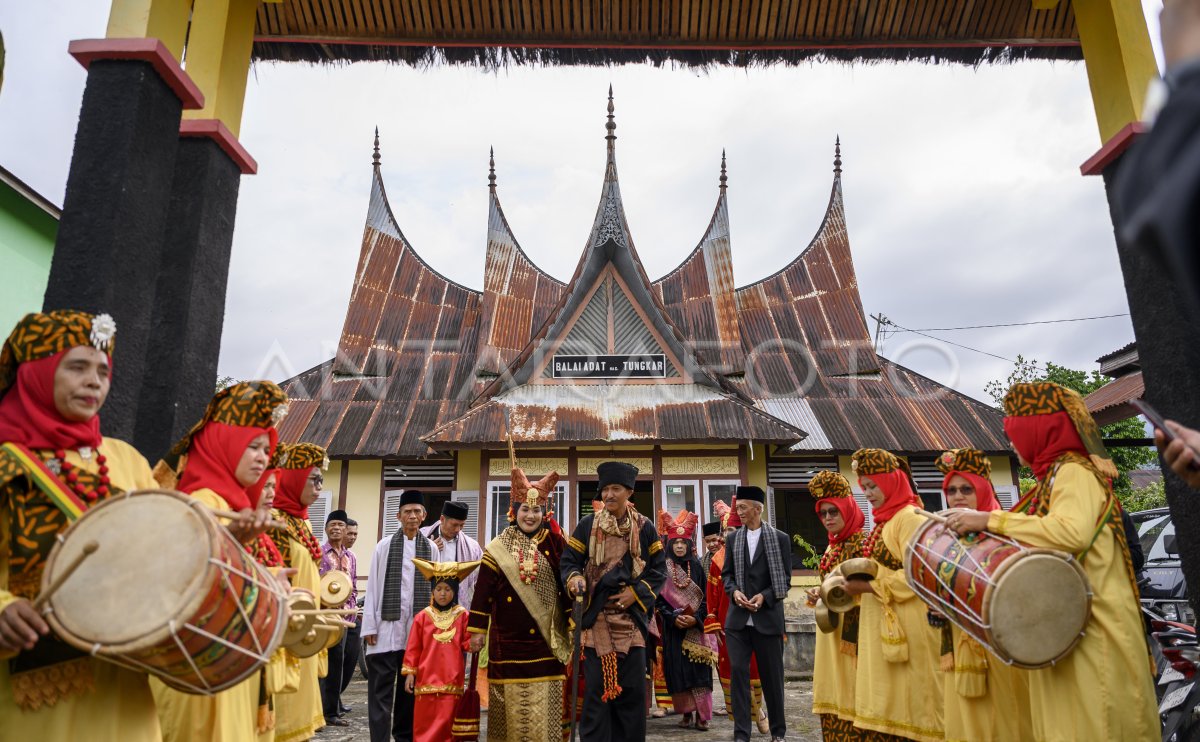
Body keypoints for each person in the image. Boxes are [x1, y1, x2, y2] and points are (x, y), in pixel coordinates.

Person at [946, 383, 1158, 740]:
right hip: (1068, 630)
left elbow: (1070, 533)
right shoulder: (1054, 478)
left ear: (1038, 433)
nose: (1013, 446)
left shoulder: (1075, 472)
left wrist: (991, 521)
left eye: (1016, 436)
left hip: (1094, 633)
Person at [0, 311, 161, 740]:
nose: (94, 381)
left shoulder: (126, 459)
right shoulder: (5, 459)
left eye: (103, 371)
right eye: (77, 366)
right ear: (36, 371)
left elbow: (166, 547)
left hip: (126, 688)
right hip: (36, 701)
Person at [151, 379, 287, 742]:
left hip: (224, 660)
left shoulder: (233, 506)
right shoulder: (203, 501)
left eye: (265, 449)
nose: (262, 457)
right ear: (222, 446)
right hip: (196, 664)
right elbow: (180, 578)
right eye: (253, 447)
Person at [841, 448, 943, 742]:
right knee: (888, 708)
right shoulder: (886, 520)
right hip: (887, 624)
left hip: (912, 628)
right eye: (865, 487)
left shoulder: (910, 519)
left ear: (892, 482)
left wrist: (868, 586)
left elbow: (921, 575)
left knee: (913, 709)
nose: (869, 493)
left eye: (874, 486)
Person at [561, 461, 666, 741]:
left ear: (629, 492)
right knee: (595, 695)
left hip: (632, 621)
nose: (608, 495)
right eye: (604, 489)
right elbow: (569, 561)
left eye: (615, 489)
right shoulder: (587, 525)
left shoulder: (645, 528)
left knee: (632, 696)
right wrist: (575, 580)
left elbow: (659, 570)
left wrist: (636, 593)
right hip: (596, 618)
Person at [932, 448, 1031, 742]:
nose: (958, 496)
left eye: (966, 488)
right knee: (965, 726)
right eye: (951, 490)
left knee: (1006, 724)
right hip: (959, 649)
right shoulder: (944, 539)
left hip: (1001, 650)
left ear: (984, 489)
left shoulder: (1008, 531)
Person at [467, 465, 571, 741]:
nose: (530, 515)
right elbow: (483, 592)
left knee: (547, 706)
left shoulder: (556, 543)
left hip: (547, 642)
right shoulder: (497, 547)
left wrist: (573, 622)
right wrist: (476, 629)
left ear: (544, 513)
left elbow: (566, 588)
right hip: (507, 642)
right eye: (525, 509)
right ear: (514, 512)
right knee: (507, 710)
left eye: (536, 510)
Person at [267, 442, 330, 742]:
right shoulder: (274, 524)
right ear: (292, 477)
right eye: (313, 479)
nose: (319, 487)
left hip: (304, 630)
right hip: (283, 635)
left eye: (322, 480)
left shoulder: (301, 522)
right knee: (283, 717)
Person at [362, 490, 434, 742]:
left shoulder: (431, 549)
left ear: (424, 516)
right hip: (383, 631)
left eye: (417, 512)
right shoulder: (383, 546)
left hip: (415, 634)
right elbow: (372, 587)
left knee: (408, 693)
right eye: (407, 512)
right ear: (398, 515)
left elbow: (435, 589)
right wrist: (369, 626)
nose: (412, 516)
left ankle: (404, 738)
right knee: (380, 692)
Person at [720, 486, 790, 742]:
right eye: (738, 508)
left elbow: (784, 579)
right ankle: (741, 734)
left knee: (773, 678)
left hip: (767, 619)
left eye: (742, 507)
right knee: (738, 674)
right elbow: (726, 575)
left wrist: (765, 597)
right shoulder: (733, 539)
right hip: (738, 621)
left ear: (758, 509)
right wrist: (734, 592)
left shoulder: (780, 538)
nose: (738, 512)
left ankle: (778, 733)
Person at [803, 471, 866, 740]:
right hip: (832, 630)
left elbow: (870, 589)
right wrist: (820, 592)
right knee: (833, 689)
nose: (828, 518)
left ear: (848, 509)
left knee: (854, 691)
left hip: (857, 634)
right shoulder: (832, 547)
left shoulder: (863, 544)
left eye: (834, 512)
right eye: (823, 513)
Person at [704, 499, 768, 730]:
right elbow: (712, 594)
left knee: (753, 668)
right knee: (730, 668)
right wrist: (713, 621)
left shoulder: (759, 550)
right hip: (727, 622)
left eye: (734, 529)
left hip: (756, 618)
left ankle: (757, 710)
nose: (730, 534)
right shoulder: (717, 559)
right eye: (727, 530)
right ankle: (742, 721)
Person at [402, 558, 480, 742]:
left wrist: (478, 639)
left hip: (452, 681)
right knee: (424, 724)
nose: (443, 594)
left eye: (447, 589)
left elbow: (468, 644)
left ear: (455, 591)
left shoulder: (462, 615)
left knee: (448, 726)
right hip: (425, 681)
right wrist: (410, 673)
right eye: (439, 589)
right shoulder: (423, 616)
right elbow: (414, 647)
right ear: (432, 591)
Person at [655, 509, 718, 730]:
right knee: (678, 672)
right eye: (676, 542)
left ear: (689, 544)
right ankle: (686, 713)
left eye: (683, 542)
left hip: (696, 629)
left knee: (699, 674)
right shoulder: (663, 569)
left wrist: (696, 619)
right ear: (669, 544)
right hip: (674, 630)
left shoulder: (698, 567)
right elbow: (659, 600)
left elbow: (706, 599)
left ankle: (702, 716)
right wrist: (673, 617)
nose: (679, 546)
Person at [319, 508, 357, 728]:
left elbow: (352, 587)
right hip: (322, 615)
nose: (336, 528)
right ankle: (316, 712)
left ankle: (331, 712)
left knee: (337, 663)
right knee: (318, 664)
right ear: (326, 529)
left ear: (345, 530)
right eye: (332, 525)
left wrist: (350, 609)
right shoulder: (319, 553)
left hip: (343, 618)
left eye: (340, 525)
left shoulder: (351, 557)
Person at [421, 500, 483, 608]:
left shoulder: (472, 547)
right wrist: (428, 550)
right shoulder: (422, 537)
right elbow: (408, 565)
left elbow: (481, 579)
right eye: (454, 525)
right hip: (428, 605)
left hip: (456, 607)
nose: (458, 529)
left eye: (461, 525)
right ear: (442, 519)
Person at [339, 518, 362, 708]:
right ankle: (330, 702)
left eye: (355, 534)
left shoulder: (352, 556)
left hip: (352, 615)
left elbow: (354, 587)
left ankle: (337, 698)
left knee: (350, 659)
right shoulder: (324, 553)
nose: (353, 537)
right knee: (334, 664)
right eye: (350, 533)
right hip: (333, 618)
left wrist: (354, 608)